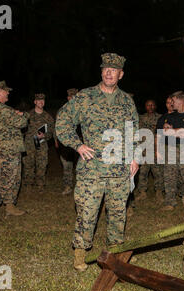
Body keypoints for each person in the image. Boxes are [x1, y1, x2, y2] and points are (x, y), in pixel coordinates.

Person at [56, 53, 139, 272]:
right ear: (101, 72)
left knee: (118, 212)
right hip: (92, 169)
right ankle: (80, 253)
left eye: (114, 70)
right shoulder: (85, 97)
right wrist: (77, 144)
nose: (109, 73)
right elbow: (63, 122)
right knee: (86, 211)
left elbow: (133, 131)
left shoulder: (126, 101)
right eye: (106, 69)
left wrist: (134, 157)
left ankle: (115, 253)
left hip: (120, 169)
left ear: (121, 74)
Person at [0, 81, 30, 219]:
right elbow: (21, 123)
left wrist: (16, 114)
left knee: (15, 178)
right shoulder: (1, 109)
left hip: (12, 148)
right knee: (7, 177)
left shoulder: (2, 109)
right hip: (8, 149)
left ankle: (10, 206)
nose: (8, 93)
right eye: (6, 91)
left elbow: (13, 120)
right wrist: (24, 115)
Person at [159, 91, 184, 210]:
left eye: (174, 101)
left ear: (181, 101)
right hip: (171, 148)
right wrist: (179, 131)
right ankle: (170, 202)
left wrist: (173, 131)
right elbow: (165, 131)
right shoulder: (170, 116)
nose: (172, 103)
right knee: (169, 176)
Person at [22, 93, 55, 191]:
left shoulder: (48, 117)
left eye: (43, 100)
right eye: (39, 100)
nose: (41, 102)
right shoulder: (28, 115)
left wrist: (45, 135)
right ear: (35, 102)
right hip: (29, 144)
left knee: (42, 164)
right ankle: (28, 184)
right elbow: (21, 129)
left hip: (42, 145)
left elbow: (51, 132)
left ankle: (40, 184)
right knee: (28, 164)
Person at [134, 99, 163, 201]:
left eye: (152, 105)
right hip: (144, 151)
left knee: (157, 172)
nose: (150, 107)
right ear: (145, 107)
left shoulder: (160, 118)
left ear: (155, 106)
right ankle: (142, 192)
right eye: (148, 105)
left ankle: (159, 192)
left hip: (155, 150)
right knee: (142, 172)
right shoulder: (141, 118)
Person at [56, 88, 79, 195]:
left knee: (81, 168)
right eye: (71, 96)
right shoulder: (63, 111)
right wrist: (57, 141)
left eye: (75, 96)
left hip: (81, 145)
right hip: (66, 145)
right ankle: (67, 186)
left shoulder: (83, 110)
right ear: (68, 98)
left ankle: (80, 188)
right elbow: (57, 128)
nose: (73, 98)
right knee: (67, 167)